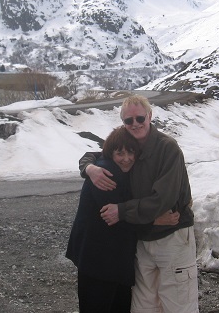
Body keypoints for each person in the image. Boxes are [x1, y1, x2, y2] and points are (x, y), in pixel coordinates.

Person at [79, 94, 199, 313]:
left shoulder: (168, 148)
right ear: (123, 122)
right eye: (128, 120)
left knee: (179, 304)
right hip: (143, 241)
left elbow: (163, 199)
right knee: (144, 305)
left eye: (140, 118)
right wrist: (89, 168)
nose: (135, 124)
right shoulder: (130, 143)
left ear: (150, 116)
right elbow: (99, 154)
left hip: (171, 235)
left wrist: (123, 211)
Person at [67, 126, 179, 313]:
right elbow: (116, 219)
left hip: (107, 258)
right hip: (99, 259)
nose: (126, 158)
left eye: (131, 152)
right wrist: (155, 220)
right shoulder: (107, 174)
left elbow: (92, 154)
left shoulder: (108, 166)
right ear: (111, 153)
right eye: (120, 153)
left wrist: (88, 166)